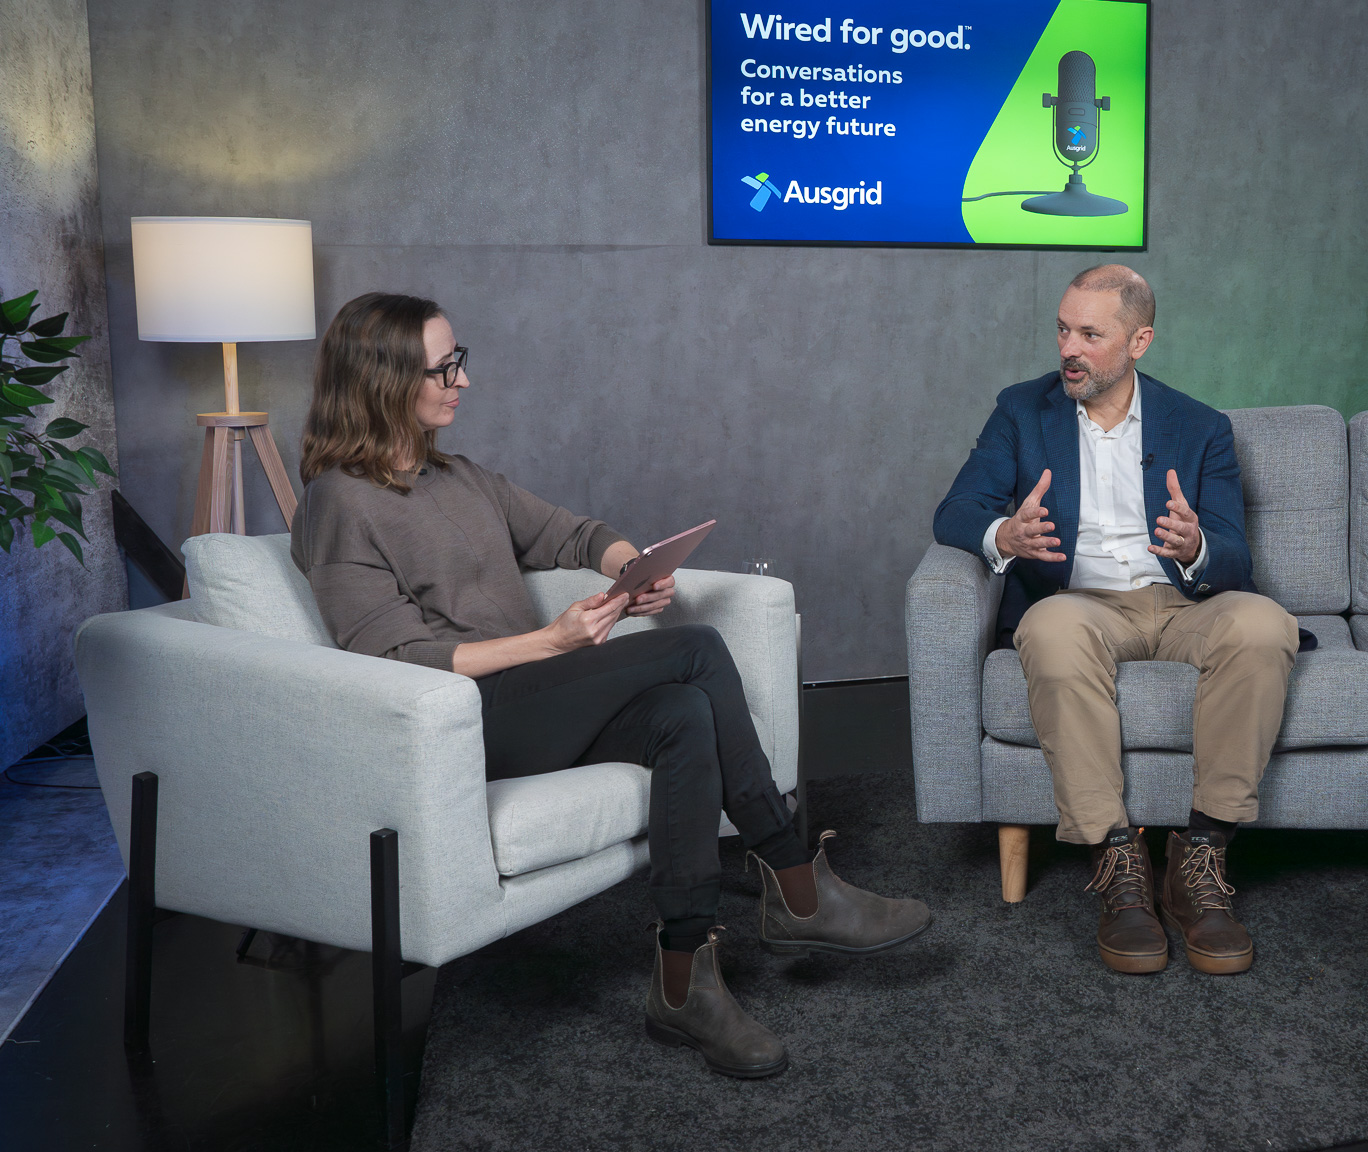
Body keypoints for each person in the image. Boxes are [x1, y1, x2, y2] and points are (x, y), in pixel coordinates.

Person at [290, 292, 930, 1079]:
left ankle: (682, 976)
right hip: (464, 720)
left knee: (683, 714)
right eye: (443, 367)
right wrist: (549, 640)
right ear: (382, 380)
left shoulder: (457, 475)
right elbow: (393, 659)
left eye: (460, 358)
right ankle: (794, 881)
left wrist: (631, 570)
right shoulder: (338, 504)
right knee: (694, 651)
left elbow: (572, 532)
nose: (463, 379)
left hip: (538, 696)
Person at [933, 265, 1302, 976]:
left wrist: (1197, 545)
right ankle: (1118, 863)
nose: (1070, 348)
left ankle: (1200, 858)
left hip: (1181, 603)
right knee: (1048, 628)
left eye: (1091, 335)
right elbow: (954, 512)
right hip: (1081, 604)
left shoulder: (1200, 427)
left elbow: (1232, 551)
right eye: (1064, 330)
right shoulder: (1020, 410)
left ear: (1140, 341)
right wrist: (1004, 535)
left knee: (1264, 625)